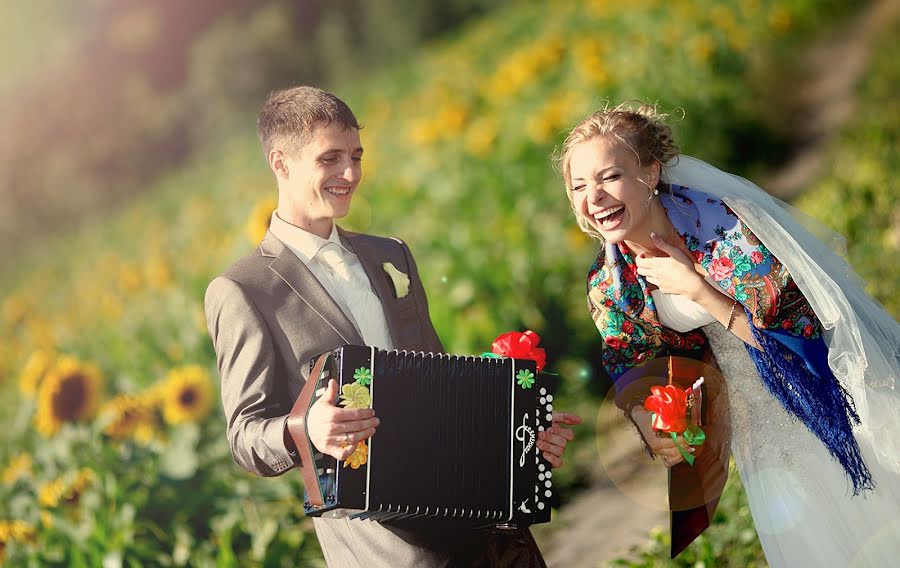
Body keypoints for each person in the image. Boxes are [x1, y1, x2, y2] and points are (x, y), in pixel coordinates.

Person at [204, 86, 579, 567]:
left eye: (356, 156)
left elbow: (441, 381)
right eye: (330, 158)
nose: (350, 174)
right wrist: (306, 427)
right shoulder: (243, 290)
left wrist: (522, 426)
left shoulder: (390, 254)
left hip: (483, 521)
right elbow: (244, 436)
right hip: (386, 548)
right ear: (281, 163)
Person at [555, 103, 900, 566]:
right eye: (579, 185)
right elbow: (631, 362)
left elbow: (800, 339)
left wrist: (699, 290)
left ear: (650, 173)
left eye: (609, 177)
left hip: (827, 399)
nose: (593, 197)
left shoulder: (725, 228)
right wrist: (643, 417)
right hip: (761, 439)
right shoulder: (610, 282)